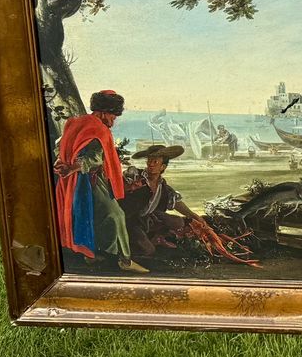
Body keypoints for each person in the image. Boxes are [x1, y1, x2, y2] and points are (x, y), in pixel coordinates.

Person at [54, 89, 146, 273]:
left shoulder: (74, 122)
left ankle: (90, 256)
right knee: (115, 215)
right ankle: (124, 261)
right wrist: (72, 167)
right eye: (113, 116)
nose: (113, 121)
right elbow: (93, 159)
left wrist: (61, 161)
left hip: (72, 182)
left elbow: (60, 145)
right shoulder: (99, 129)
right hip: (89, 182)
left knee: (87, 215)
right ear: (104, 112)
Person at [119, 144, 201, 257]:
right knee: (148, 250)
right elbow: (119, 187)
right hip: (130, 220)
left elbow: (179, 205)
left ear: (163, 167)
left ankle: (158, 237)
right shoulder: (135, 175)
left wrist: (196, 217)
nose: (150, 164)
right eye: (149, 161)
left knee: (179, 222)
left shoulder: (163, 187)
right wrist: (130, 187)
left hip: (148, 220)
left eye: (155, 162)